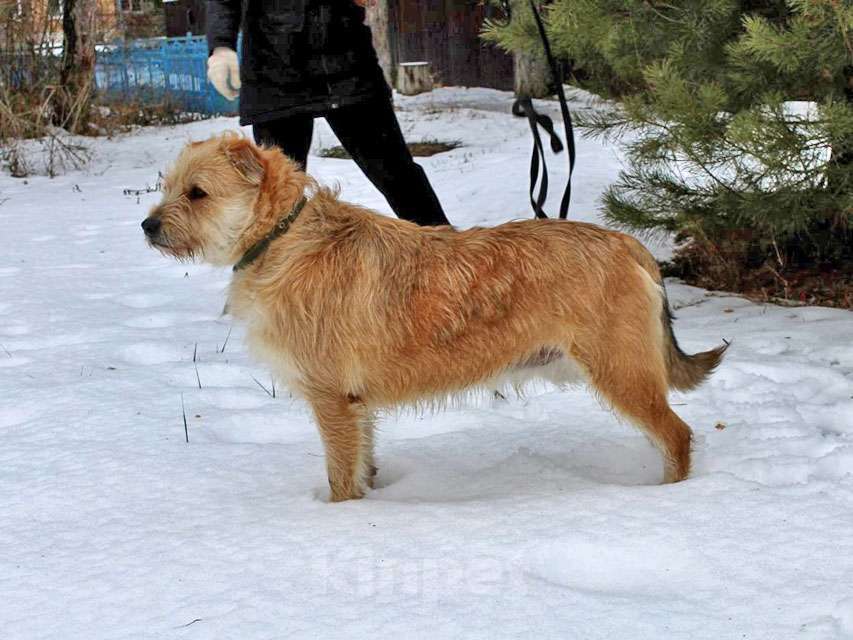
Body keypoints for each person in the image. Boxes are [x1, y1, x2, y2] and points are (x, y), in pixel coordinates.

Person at [205, 0, 450, 227]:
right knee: (278, 195)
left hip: (347, 62)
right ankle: (277, 272)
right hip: (274, 71)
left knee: (397, 175)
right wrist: (220, 46)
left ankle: (451, 258)